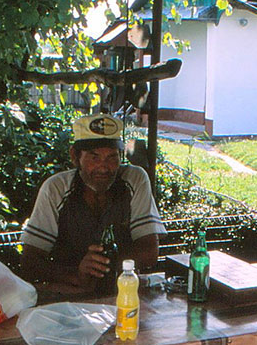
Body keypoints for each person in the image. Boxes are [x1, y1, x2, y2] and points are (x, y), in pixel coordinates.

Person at [21, 113, 165, 289]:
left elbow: (149, 250)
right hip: (70, 293)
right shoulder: (56, 189)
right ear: (75, 157)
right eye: (94, 157)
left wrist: (104, 265)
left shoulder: (135, 179)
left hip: (123, 289)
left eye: (112, 157)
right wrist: (77, 275)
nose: (104, 167)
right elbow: (30, 261)